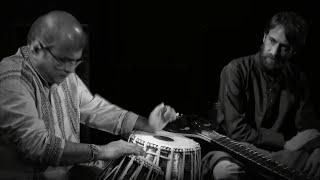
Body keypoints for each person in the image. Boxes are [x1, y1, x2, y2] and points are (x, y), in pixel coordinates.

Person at [0, 10, 177, 179]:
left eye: (75, 62)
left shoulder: (63, 72)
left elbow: (95, 110)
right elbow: (37, 146)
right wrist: (101, 151)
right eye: (63, 61)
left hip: (67, 173)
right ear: (37, 49)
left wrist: (147, 124)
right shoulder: (12, 80)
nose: (70, 70)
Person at [202, 11, 320, 180]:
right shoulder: (235, 70)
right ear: (264, 37)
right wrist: (285, 142)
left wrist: (317, 149)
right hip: (235, 149)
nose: (274, 52)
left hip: (279, 155)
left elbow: (308, 125)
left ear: (293, 52)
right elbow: (236, 131)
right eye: (272, 41)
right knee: (227, 172)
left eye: (284, 47)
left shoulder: (297, 78)